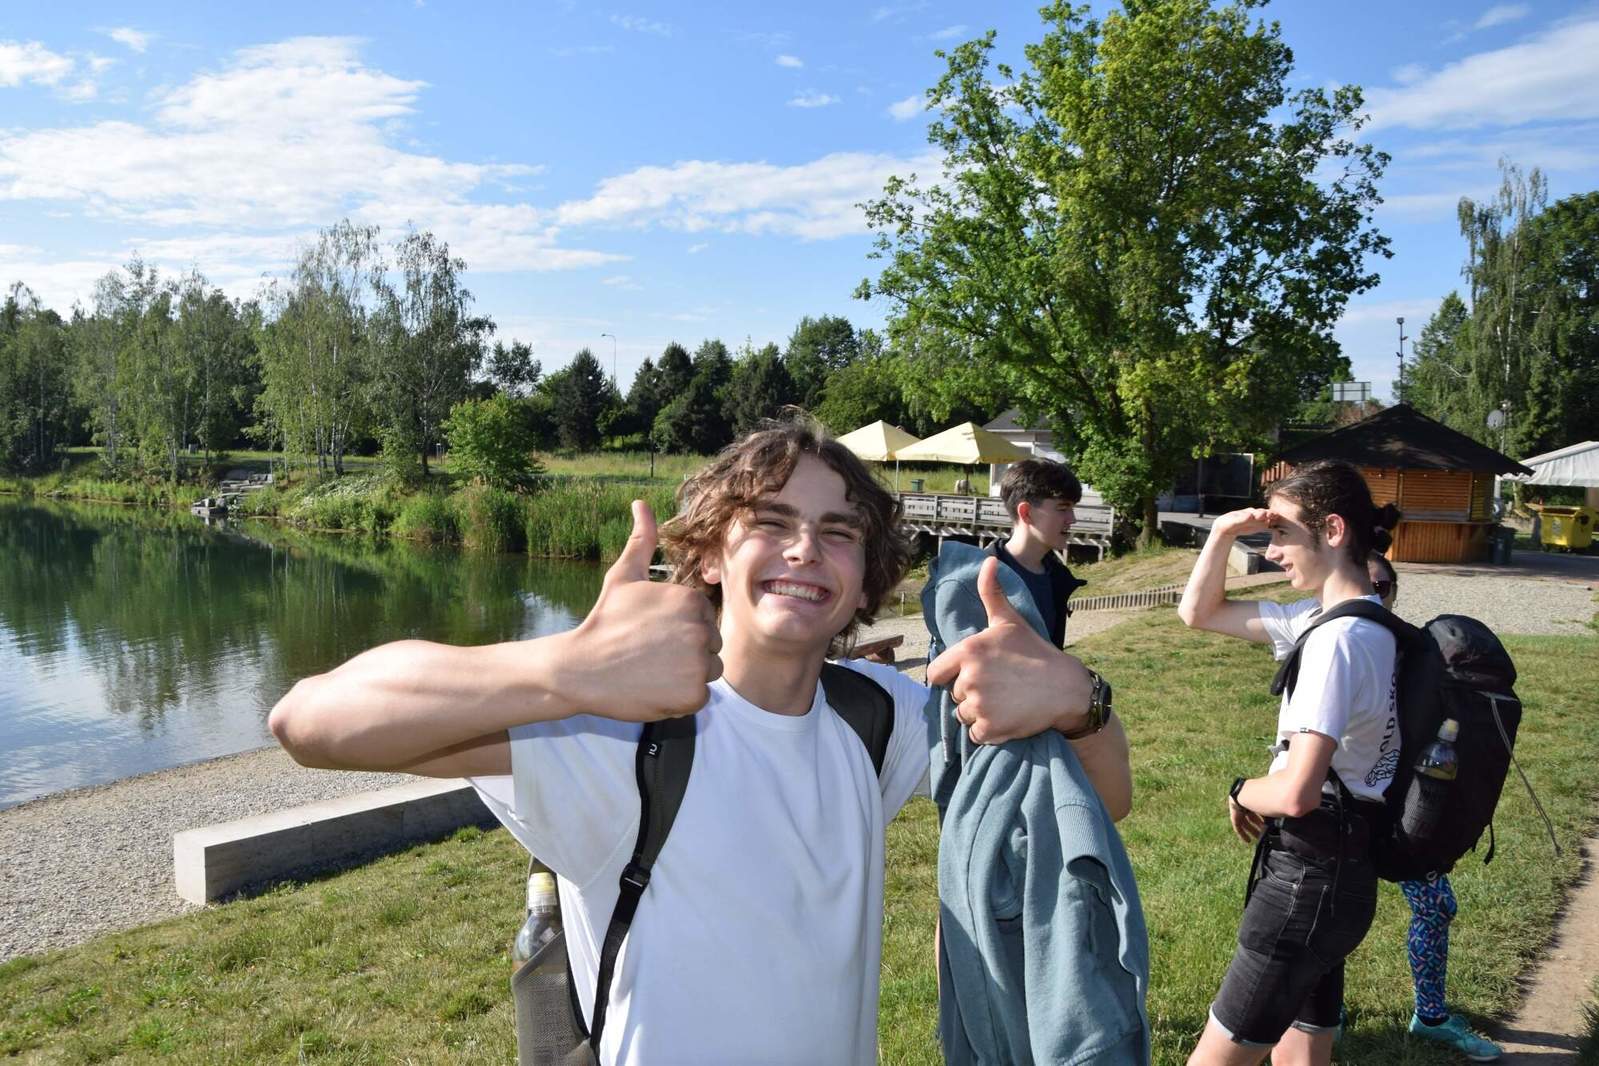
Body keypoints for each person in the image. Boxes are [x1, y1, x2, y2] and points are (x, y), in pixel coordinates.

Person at [268, 418, 1129, 1065]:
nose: (805, 549)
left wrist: (1077, 699)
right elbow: (310, 721)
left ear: (864, 578)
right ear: (711, 555)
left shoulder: (877, 714)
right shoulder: (611, 729)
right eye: (770, 522)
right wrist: (562, 667)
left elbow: (1105, 800)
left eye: (838, 532)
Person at [1176, 459, 1402, 1066]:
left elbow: (1297, 791)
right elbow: (1199, 613)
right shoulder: (1362, 623)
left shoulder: (1335, 641)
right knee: (1303, 1055)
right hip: (1342, 874)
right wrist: (1223, 532)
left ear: (1333, 530)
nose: (1271, 550)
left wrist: (1242, 789)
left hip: (1305, 881)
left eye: (1281, 533)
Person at [1366, 552, 1502, 1062]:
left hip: (1404, 805)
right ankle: (1320, 1015)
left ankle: (1430, 1014)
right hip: (1345, 803)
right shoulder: (1339, 641)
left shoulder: (1416, 649)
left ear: (1394, 591)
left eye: (1383, 586)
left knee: (1436, 906)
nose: (1375, 595)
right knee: (1336, 913)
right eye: (1366, 584)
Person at [992, 457, 1089, 649]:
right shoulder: (980, 577)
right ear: (1026, 513)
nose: (1072, 519)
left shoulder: (1058, 577)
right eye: (1063, 508)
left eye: (1072, 508)